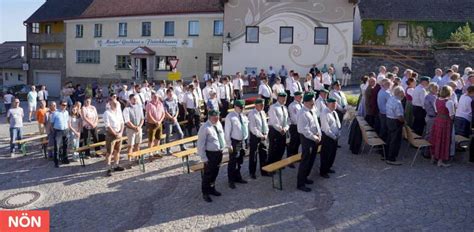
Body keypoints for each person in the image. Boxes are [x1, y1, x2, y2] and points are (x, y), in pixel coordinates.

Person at [198, 110, 225, 203]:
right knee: (208, 174)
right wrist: (204, 158)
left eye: (217, 116)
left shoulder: (218, 124)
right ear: (209, 117)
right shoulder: (204, 127)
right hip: (210, 154)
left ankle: (212, 189)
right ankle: (205, 192)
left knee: (215, 173)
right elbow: (200, 145)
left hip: (219, 153)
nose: (216, 118)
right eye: (214, 117)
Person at [296, 92, 321, 192]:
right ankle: (300, 183)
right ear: (306, 102)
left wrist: (319, 134)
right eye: (312, 101)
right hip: (307, 140)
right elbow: (305, 130)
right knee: (305, 162)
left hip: (314, 139)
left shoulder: (311, 110)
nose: (313, 103)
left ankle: (305, 177)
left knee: (311, 161)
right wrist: (315, 137)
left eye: (313, 101)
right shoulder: (303, 113)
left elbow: (316, 124)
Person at [225, 100, 249, 189]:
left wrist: (247, 141)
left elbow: (246, 129)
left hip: (243, 141)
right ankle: (231, 180)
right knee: (233, 161)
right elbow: (227, 132)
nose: (242, 109)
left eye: (243, 107)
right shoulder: (230, 117)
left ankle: (238, 177)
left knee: (240, 160)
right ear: (235, 107)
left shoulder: (243, 116)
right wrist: (229, 144)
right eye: (240, 107)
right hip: (235, 142)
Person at [430, 86, 455, 167]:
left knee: (435, 138)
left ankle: (433, 157)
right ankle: (440, 161)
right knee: (443, 140)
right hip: (445, 122)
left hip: (437, 120)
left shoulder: (436, 100)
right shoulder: (449, 102)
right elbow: (451, 116)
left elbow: (436, 111)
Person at [319, 97, 341, 177]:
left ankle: (328, 168)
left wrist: (339, 132)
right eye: (332, 104)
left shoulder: (334, 112)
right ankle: (323, 172)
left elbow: (338, 123)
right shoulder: (324, 113)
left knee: (332, 154)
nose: (334, 105)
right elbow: (326, 129)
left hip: (335, 137)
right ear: (328, 104)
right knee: (326, 155)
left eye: (335, 103)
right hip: (328, 137)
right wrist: (334, 136)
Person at [248, 99, 269, 179]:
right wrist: (261, 135)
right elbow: (253, 128)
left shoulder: (263, 112)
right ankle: (252, 172)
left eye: (263, 105)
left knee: (264, 154)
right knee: (254, 155)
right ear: (256, 105)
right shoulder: (252, 114)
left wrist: (266, 133)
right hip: (255, 137)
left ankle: (264, 170)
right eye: (261, 105)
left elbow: (265, 124)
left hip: (263, 136)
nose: (263, 106)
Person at [103, 100, 125, 176]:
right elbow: (108, 126)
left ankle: (116, 165)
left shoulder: (119, 112)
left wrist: (121, 132)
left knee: (117, 151)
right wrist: (116, 134)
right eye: (114, 103)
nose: (115, 104)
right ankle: (108, 168)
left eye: (116, 103)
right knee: (109, 152)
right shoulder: (107, 113)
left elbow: (122, 122)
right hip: (111, 135)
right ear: (110, 104)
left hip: (119, 133)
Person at [385, 86, 405, 165]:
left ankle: (387, 155)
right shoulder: (397, 102)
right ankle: (391, 158)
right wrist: (404, 122)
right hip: (395, 122)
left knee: (389, 138)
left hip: (389, 119)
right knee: (395, 140)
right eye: (403, 93)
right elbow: (399, 116)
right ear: (399, 93)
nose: (404, 94)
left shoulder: (391, 98)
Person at [267, 92, 289, 164]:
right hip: (274, 131)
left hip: (283, 131)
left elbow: (287, 120)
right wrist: (280, 129)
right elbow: (274, 121)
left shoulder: (285, 108)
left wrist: (285, 128)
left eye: (285, 98)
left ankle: (278, 163)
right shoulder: (273, 107)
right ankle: (271, 166)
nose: (284, 99)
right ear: (278, 98)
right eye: (283, 98)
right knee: (273, 149)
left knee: (281, 148)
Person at [163, 89, 186, 155]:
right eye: (169, 94)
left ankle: (182, 146)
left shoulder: (175, 100)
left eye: (171, 93)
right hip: (168, 121)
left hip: (175, 120)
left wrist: (175, 117)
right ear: (167, 94)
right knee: (168, 135)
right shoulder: (165, 102)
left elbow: (177, 109)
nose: (171, 95)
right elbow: (165, 112)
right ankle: (168, 150)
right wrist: (171, 117)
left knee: (180, 133)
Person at [123, 94, 144, 158]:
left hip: (138, 128)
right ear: (130, 100)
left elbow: (142, 118)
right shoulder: (126, 109)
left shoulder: (139, 107)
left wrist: (139, 126)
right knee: (130, 145)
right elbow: (127, 121)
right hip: (130, 129)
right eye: (133, 99)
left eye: (136, 99)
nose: (135, 100)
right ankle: (129, 160)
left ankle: (137, 157)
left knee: (138, 144)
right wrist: (134, 127)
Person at [51, 101, 70, 167]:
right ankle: (56, 161)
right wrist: (54, 130)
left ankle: (65, 159)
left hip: (65, 130)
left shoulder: (67, 112)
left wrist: (68, 129)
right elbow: (52, 123)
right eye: (63, 105)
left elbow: (67, 121)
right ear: (60, 105)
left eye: (66, 105)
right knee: (57, 147)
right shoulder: (55, 113)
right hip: (58, 131)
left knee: (65, 146)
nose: (64, 106)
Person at [287, 91, 303, 165]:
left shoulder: (301, 104)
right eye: (300, 97)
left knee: (298, 142)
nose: (301, 98)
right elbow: (294, 117)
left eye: (302, 96)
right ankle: (289, 159)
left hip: (300, 126)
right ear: (295, 97)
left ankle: (295, 157)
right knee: (293, 143)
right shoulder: (292, 106)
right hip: (294, 126)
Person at [423, 83, 439, 157]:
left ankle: (425, 150)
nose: (438, 90)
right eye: (436, 89)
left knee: (427, 133)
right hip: (432, 117)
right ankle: (426, 152)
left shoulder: (427, 96)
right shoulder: (433, 97)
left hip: (428, 116)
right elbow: (436, 109)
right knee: (430, 134)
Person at [377, 79, 392, 147]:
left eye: (389, 84)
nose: (389, 86)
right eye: (388, 84)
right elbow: (391, 103)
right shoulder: (386, 93)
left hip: (381, 112)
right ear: (384, 85)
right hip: (385, 113)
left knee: (382, 128)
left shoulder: (381, 91)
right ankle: (382, 145)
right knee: (384, 129)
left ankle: (380, 144)